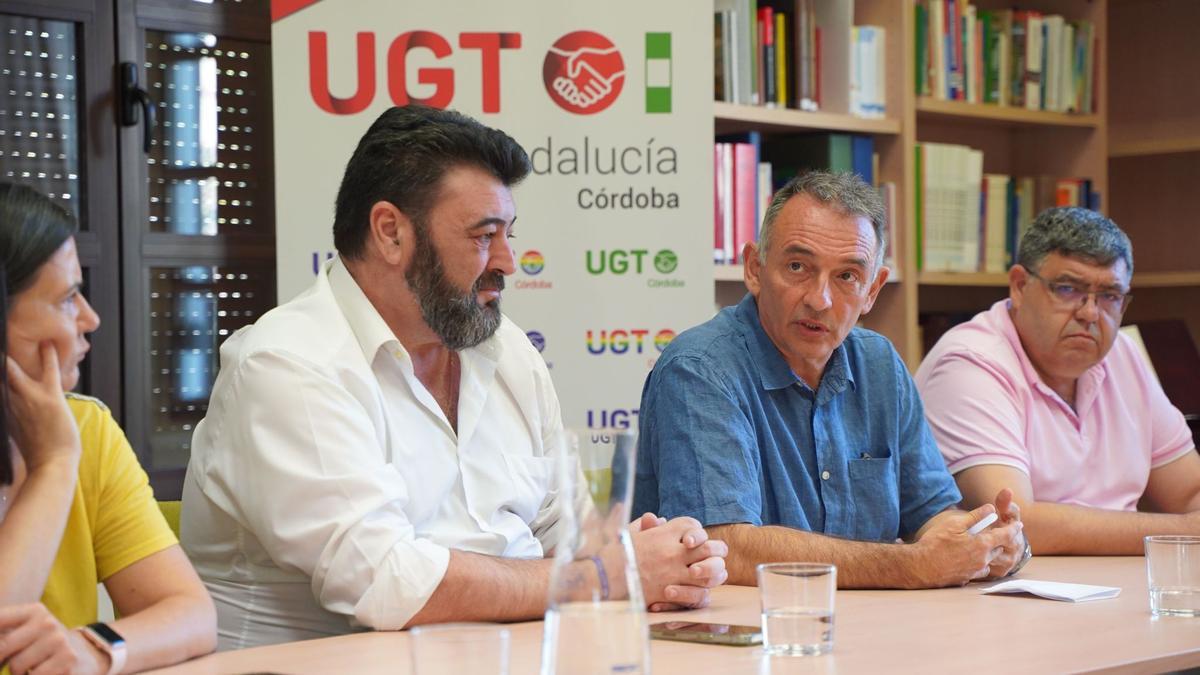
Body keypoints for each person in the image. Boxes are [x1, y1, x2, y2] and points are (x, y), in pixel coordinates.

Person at [180, 105, 727, 649]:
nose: (510, 262)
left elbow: (571, 539)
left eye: (509, 233)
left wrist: (659, 563)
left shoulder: (507, 350)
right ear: (391, 232)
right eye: (484, 235)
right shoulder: (287, 366)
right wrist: (607, 576)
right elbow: (385, 584)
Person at [634, 171, 1027, 588]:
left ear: (873, 291)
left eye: (846, 277)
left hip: (873, 629)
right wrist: (912, 565)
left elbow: (931, 512)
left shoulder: (879, 364)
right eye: (798, 266)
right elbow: (725, 545)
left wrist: (980, 543)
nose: (820, 299)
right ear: (754, 268)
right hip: (744, 634)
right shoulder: (700, 368)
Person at [0, 183, 216, 674]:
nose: (90, 319)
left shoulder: (86, 428)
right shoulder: (66, 442)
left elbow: (192, 615)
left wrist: (90, 648)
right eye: (67, 299)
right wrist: (54, 466)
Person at [915, 207, 1200, 555]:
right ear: (1019, 285)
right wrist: (1184, 531)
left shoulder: (1122, 354)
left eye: (1110, 296)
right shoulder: (969, 362)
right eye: (1068, 289)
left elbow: (1188, 491)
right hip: (1012, 593)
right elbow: (1017, 523)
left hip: (1121, 581)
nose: (1090, 313)